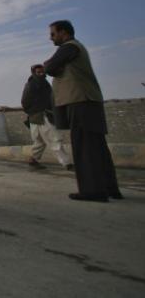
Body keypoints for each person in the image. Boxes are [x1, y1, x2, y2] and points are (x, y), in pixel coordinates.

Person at [43, 20, 122, 202]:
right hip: (88, 101)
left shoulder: (69, 47)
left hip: (80, 102)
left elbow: (49, 67)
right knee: (97, 148)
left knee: (84, 147)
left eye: (53, 34)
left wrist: (50, 65)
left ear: (63, 32)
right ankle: (110, 188)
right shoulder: (75, 48)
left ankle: (93, 191)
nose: (51, 38)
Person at [21, 64, 73, 170]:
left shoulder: (44, 84)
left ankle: (33, 160)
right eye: (38, 72)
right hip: (40, 117)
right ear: (34, 73)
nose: (41, 74)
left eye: (42, 72)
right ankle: (67, 164)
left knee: (39, 141)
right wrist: (36, 111)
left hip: (38, 117)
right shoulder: (32, 85)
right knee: (55, 139)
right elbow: (25, 102)